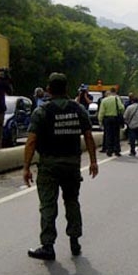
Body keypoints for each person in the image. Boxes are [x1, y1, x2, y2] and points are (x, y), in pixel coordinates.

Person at [23, 73, 98, 260]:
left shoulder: (41, 112)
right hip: (72, 164)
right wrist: (93, 161)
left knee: (48, 205)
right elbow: (89, 137)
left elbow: (31, 142)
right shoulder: (79, 109)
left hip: (49, 165)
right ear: (66, 89)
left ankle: (48, 246)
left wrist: (26, 168)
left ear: (48, 89)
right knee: (72, 201)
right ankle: (74, 241)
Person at [98, 88, 125, 157]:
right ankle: (117, 150)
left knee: (108, 135)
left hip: (107, 119)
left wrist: (100, 121)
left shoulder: (104, 100)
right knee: (116, 135)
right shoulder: (116, 99)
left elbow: (101, 112)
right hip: (115, 118)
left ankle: (109, 151)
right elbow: (121, 108)